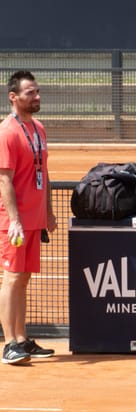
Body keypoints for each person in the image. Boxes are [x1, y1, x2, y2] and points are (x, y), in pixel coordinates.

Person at [0, 71, 57, 365]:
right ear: (14, 97)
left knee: (23, 278)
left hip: (35, 217)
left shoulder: (38, 129)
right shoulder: (7, 132)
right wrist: (15, 220)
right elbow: (4, 181)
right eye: (30, 93)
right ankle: (9, 343)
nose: (37, 97)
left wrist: (47, 210)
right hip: (14, 221)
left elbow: (43, 172)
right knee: (11, 278)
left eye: (37, 92)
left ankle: (22, 339)